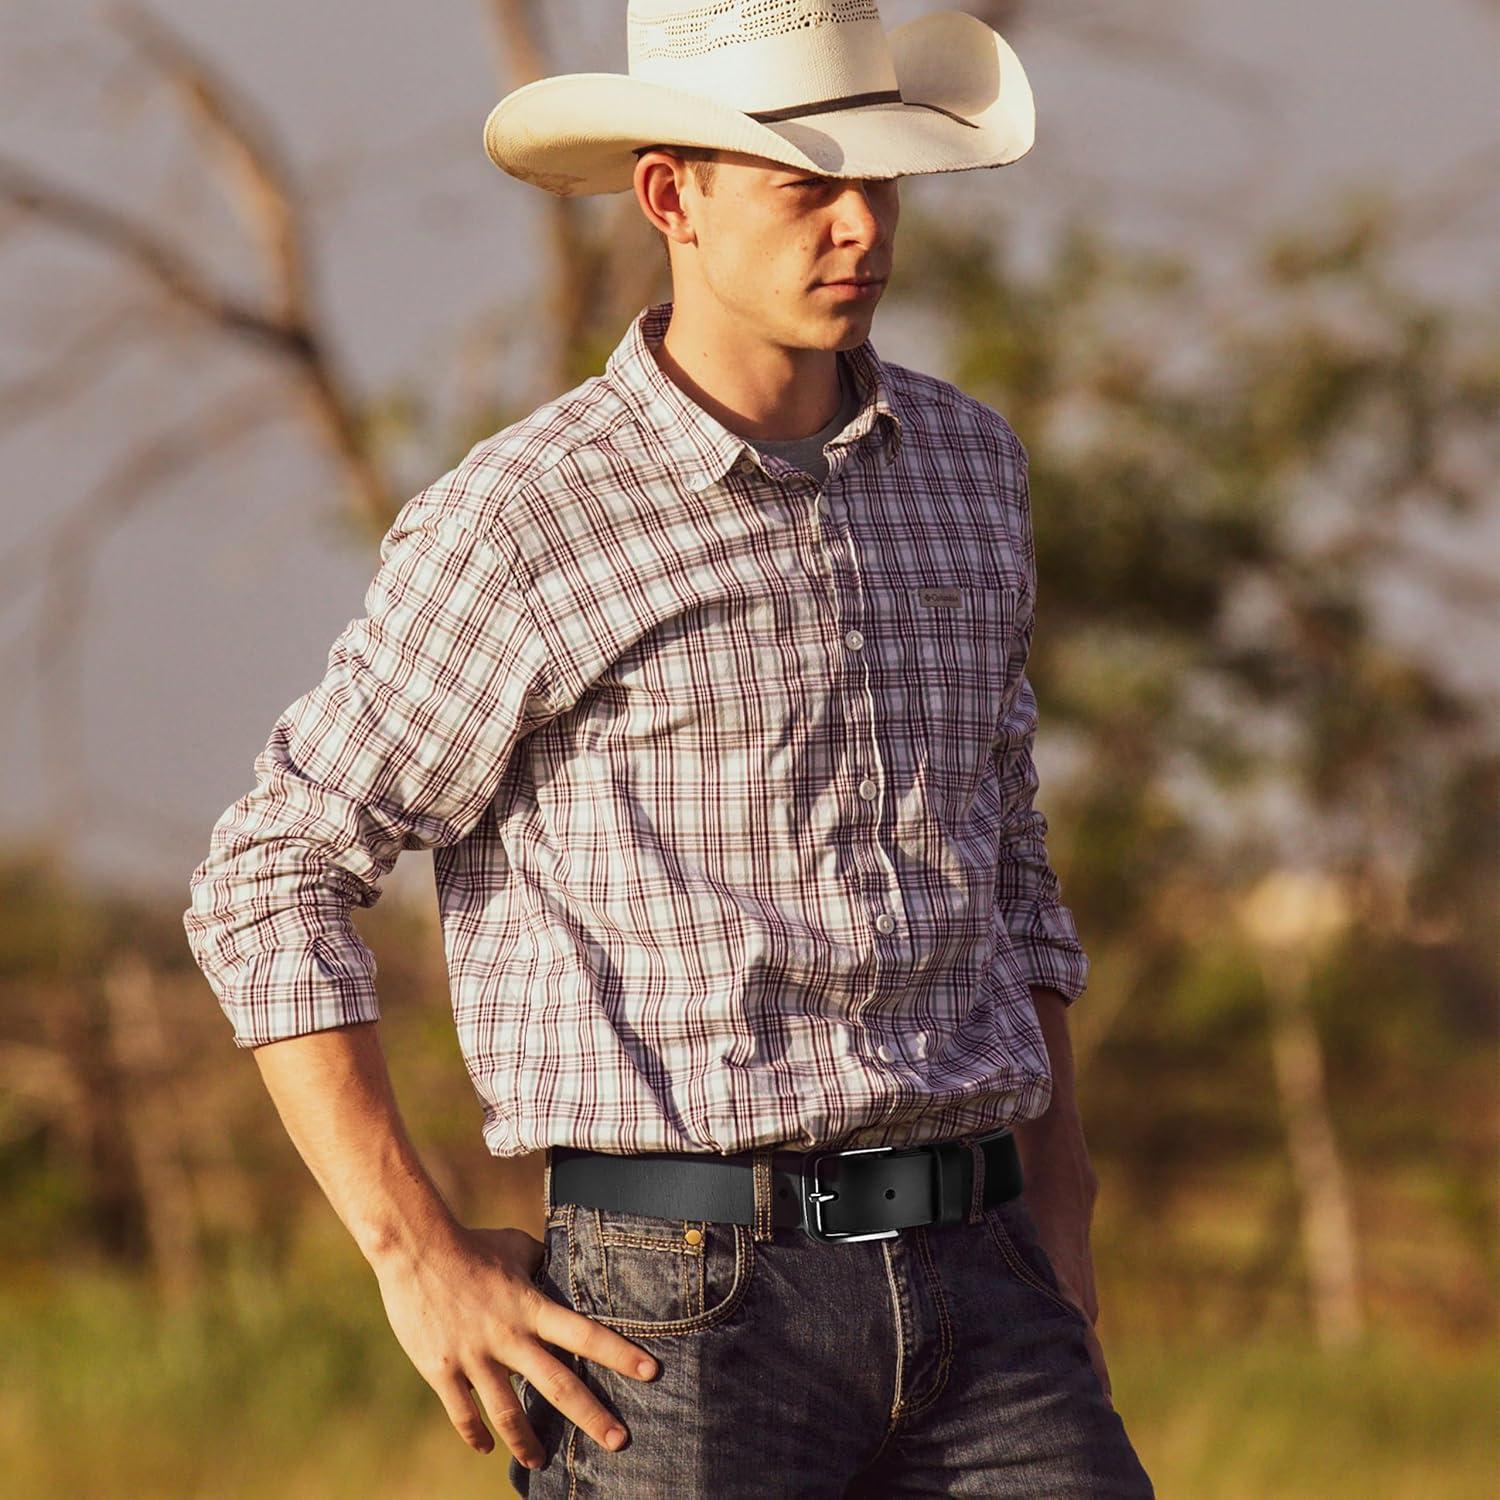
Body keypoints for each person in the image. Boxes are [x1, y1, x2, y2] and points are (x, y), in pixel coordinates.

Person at [184, 1, 1156, 1494]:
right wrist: (413, 1253)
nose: (860, 226)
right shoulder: (529, 518)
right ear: (671, 196)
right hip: (678, 1317)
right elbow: (270, 874)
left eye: (879, 181)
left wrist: (1065, 1192)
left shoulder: (971, 469)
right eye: (805, 187)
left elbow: (1008, 852)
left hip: (988, 1278)